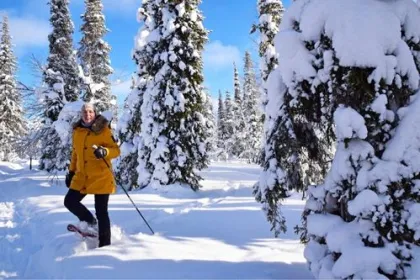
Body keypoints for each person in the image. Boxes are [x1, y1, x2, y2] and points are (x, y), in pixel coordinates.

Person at [64, 102, 120, 247]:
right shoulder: (78, 131)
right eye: (84, 112)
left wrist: (105, 152)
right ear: (81, 114)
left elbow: (116, 150)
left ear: (94, 113)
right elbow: (75, 154)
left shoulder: (104, 130)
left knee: (102, 212)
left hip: (101, 176)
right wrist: (71, 172)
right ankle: (91, 221)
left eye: (90, 112)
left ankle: (105, 245)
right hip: (82, 176)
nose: (87, 114)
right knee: (69, 201)